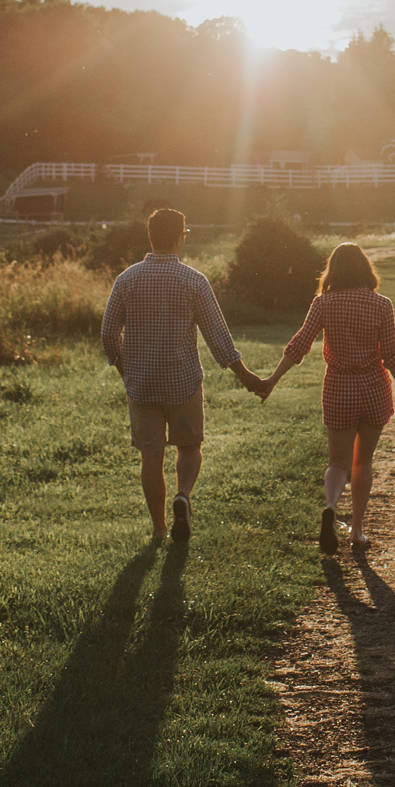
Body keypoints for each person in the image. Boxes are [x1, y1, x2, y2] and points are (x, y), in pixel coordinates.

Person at [101, 208, 268, 543]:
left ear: (150, 236)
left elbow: (108, 333)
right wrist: (245, 375)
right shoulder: (193, 280)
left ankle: (160, 529)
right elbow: (217, 336)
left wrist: (124, 369)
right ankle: (183, 496)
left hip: (142, 384)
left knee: (151, 456)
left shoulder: (127, 279)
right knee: (189, 446)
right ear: (181, 237)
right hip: (184, 381)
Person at [258, 242, 395, 555]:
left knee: (337, 462)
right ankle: (357, 531)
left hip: (339, 388)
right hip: (373, 388)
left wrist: (272, 380)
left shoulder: (323, 303)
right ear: (365, 269)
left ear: (334, 270)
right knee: (363, 463)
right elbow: (392, 356)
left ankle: (331, 506)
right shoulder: (381, 304)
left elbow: (299, 344)